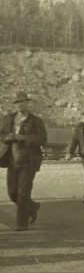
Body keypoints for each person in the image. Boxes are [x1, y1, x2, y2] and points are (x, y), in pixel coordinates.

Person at [0, 91, 47, 231]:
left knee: (23, 193)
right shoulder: (8, 119)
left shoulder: (36, 121)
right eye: (17, 102)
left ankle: (22, 223)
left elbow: (43, 139)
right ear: (15, 104)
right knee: (12, 193)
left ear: (28, 103)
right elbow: (1, 134)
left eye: (23, 101)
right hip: (12, 161)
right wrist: (7, 137)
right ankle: (32, 206)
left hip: (28, 162)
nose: (20, 104)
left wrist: (26, 139)